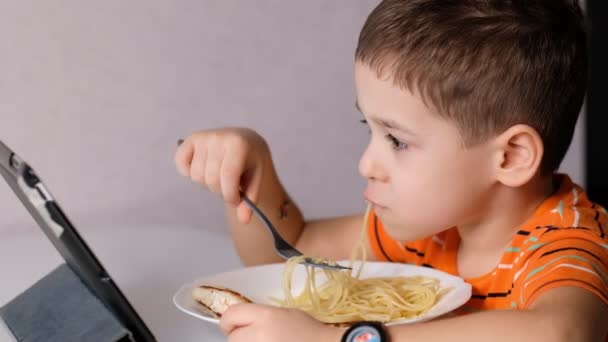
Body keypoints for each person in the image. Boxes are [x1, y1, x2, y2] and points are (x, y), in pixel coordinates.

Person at [174, 0, 608, 341]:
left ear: (510, 157)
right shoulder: (429, 229)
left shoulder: (566, 244)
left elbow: (562, 332)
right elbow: (292, 251)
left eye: (397, 140)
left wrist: (343, 338)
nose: (366, 164)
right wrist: (254, 173)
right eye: (370, 128)